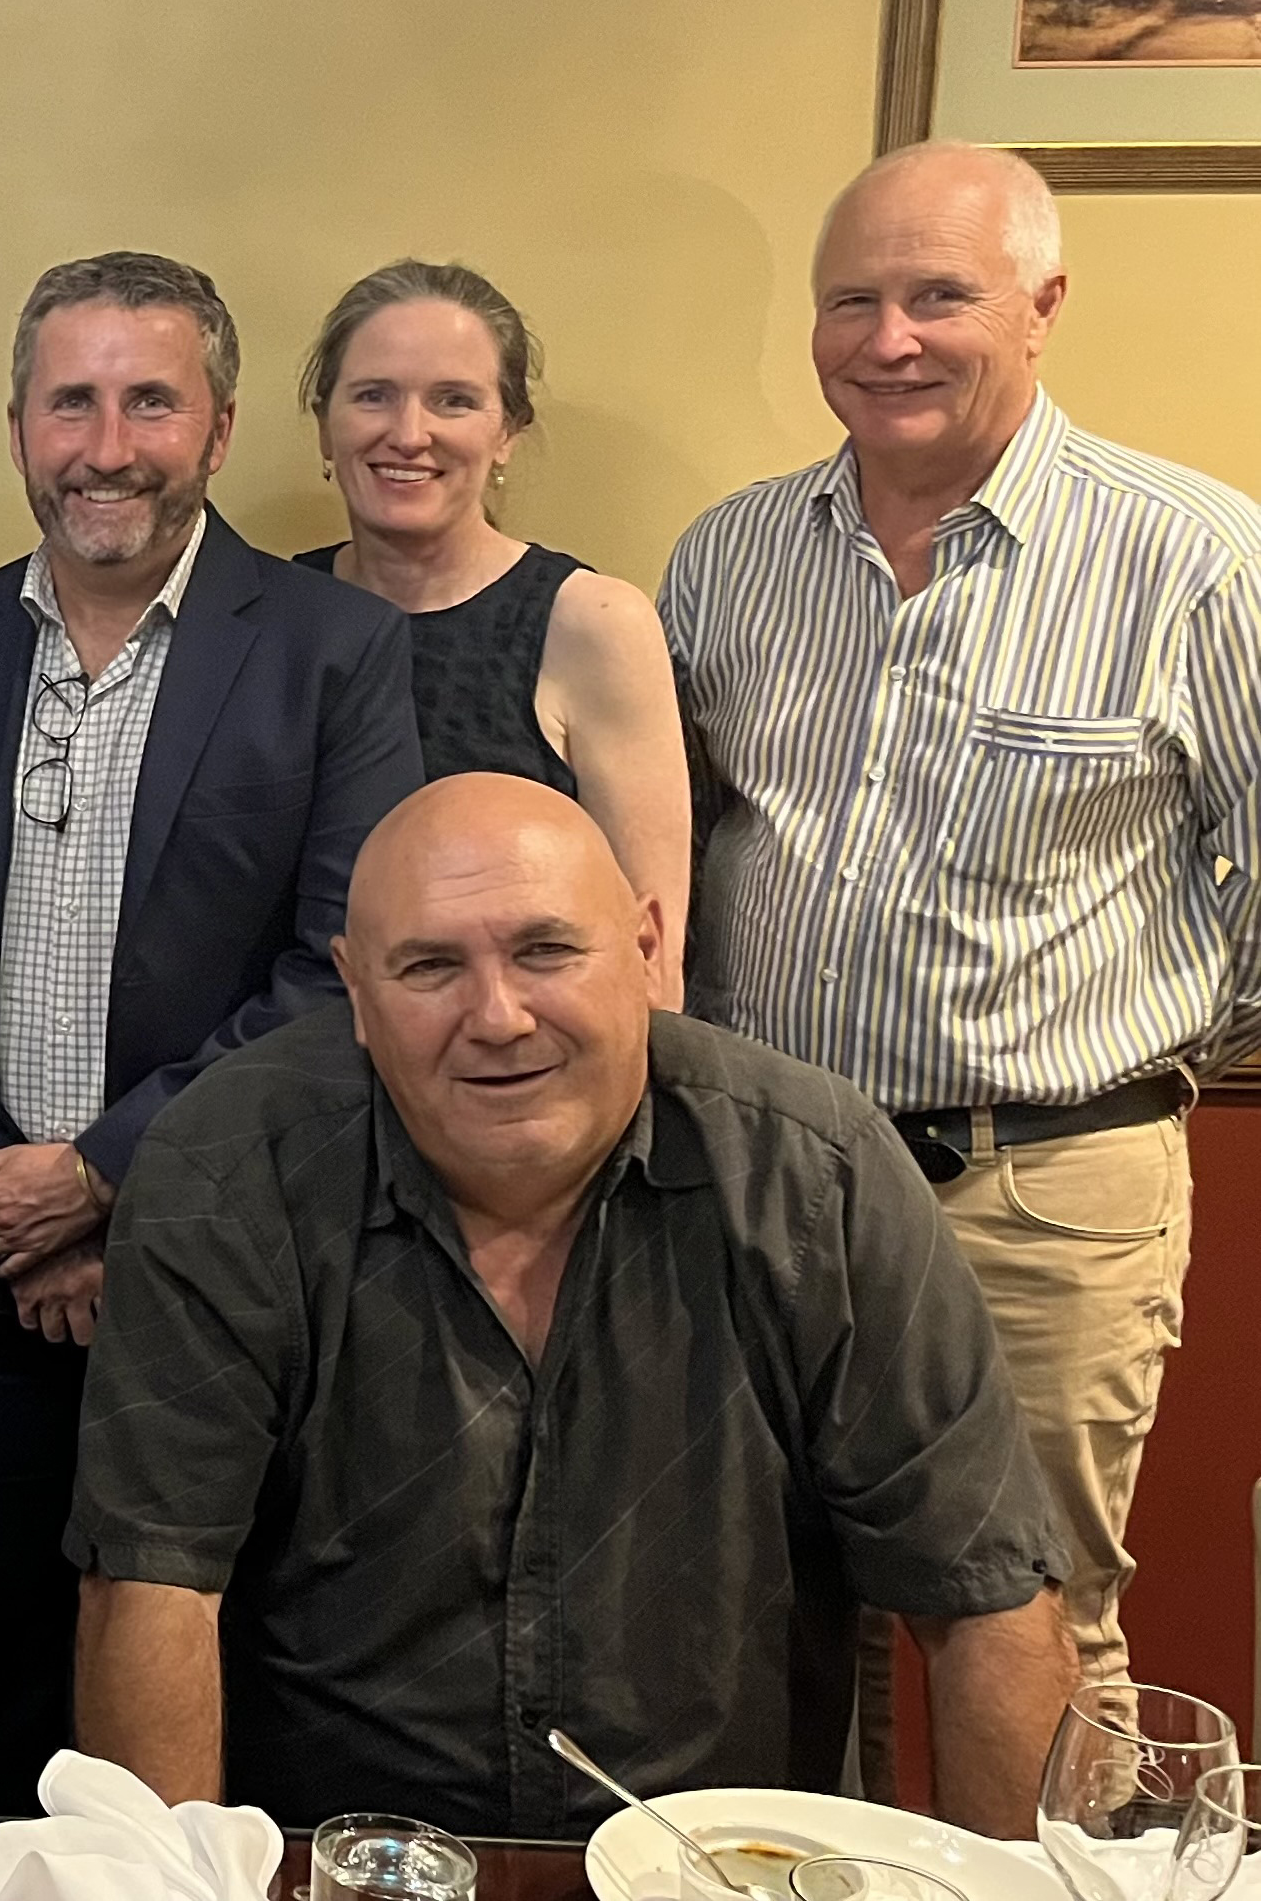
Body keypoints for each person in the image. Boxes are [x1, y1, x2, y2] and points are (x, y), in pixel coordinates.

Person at [70, 775, 1076, 1839]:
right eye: (428, 966)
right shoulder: (224, 1168)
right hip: (342, 1860)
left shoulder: (817, 1177)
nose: (497, 1015)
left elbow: (984, 1599)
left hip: (726, 1863)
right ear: (355, 995)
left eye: (546, 949)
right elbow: (149, 1586)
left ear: (645, 949)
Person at [0, 249, 420, 1811]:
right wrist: (2, 1197)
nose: (105, 442)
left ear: (217, 427)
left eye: (149, 398)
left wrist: (99, 1175)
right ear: (16, 427)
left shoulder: (330, 649)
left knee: (211, 1702)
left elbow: (334, 966)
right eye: (68, 401)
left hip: (225, 1268)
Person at [662, 140, 1261, 1717]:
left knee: (1036, 1614)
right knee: (782, 1614)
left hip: (1043, 1190)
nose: (889, 338)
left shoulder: (1193, 558)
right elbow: (674, 852)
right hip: (771, 1190)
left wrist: (1128, 1049)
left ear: (1044, 303)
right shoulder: (725, 558)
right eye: (849, 299)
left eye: (939, 295)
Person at [293, 260, 688, 1001]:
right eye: (373, 396)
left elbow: (649, 967)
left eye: (454, 400)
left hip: (519, 1073)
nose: (410, 433)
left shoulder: (592, 624)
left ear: (507, 431)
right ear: (326, 425)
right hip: (298, 1080)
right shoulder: (276, 615)